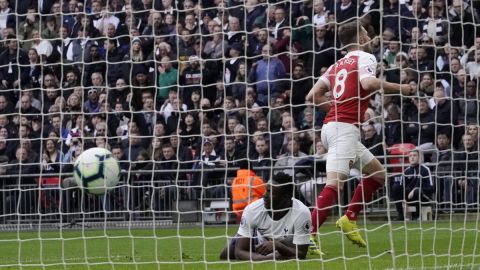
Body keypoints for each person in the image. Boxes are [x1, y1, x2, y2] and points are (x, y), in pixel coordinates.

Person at [306, 21, 413, 249]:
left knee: (378, 175)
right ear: (361, 37)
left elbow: (312, 96)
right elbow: (368, 83)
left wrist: (335, 110)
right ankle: (308, 234)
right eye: (365, 32)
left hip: (334, 128)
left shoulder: (336, 65)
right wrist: (402, 89)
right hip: (343, 130)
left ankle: (349, 218)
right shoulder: (366, 57)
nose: (368, 36)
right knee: (334, 185)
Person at [219, 172, 311, 260]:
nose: (264, 195)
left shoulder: (301, 212)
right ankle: (245, 231)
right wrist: (268, 258)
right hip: (257, 240)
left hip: (286, 245)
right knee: (225, 254)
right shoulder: (252, 209)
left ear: (285, 197)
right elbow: (239, 252)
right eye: (266, 190)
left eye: (270, 192)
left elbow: (301, 254)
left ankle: (304, 239)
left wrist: (278, 245)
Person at [391, 149, 434, 220]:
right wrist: (403, 198)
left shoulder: (425, 170)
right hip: (410, 198)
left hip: (424, 197)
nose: (412, 157)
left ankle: (416, 216)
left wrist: (416, 189)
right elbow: (401, 187)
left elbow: (432, 188)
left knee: (417, 191)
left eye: (414, 155)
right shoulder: (406, 171)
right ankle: (401, 215)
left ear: (419, 157)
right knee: (396, 187)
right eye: (410, 156)